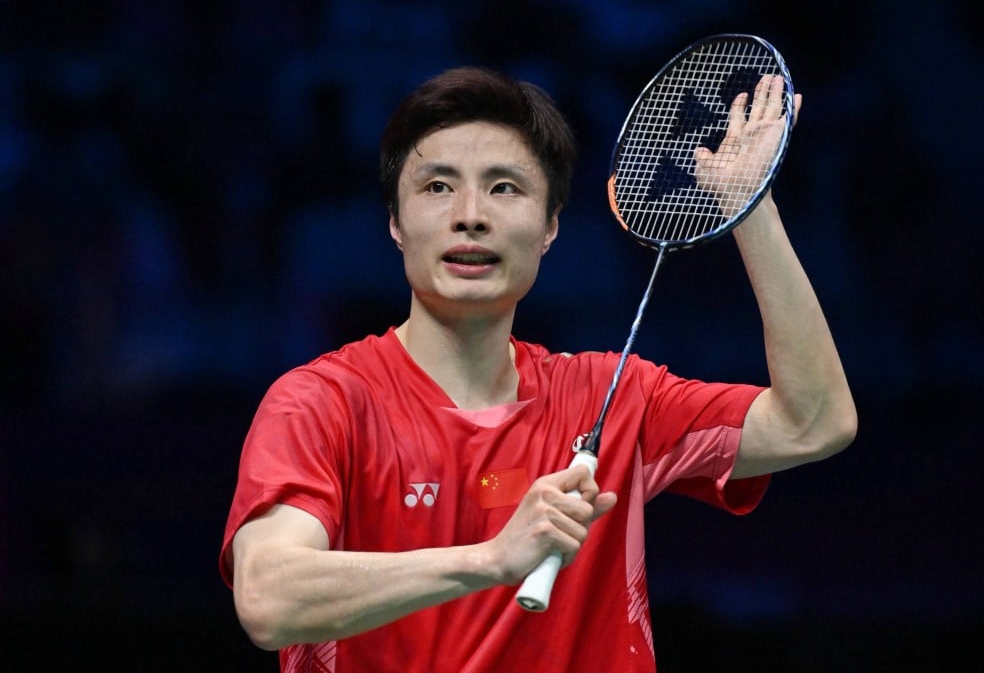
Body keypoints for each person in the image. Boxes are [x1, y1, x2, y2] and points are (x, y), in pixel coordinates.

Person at [219, 66, 856, 672]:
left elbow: (815, 422)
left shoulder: (611, 398)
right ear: (395, 223)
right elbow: (268, 598)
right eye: (437, 187)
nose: (471, 214)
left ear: (551, 227)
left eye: (505, 188)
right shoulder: (321, 403)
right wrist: (492, 559)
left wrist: (752, 209)